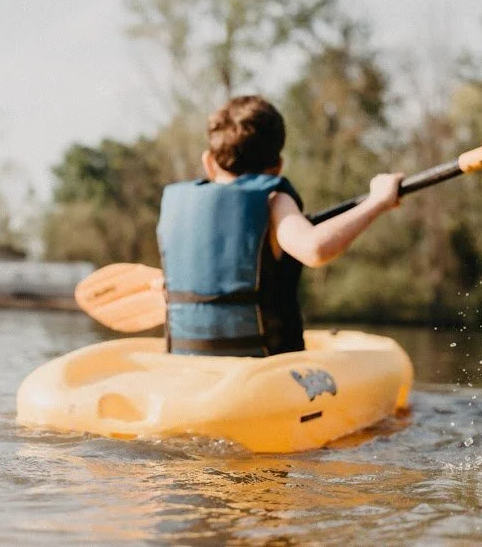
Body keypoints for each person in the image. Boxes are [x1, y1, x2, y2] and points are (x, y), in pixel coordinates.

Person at [156, 95, 403, 357]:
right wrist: (377, 201)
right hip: (263, 371)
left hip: (188, 369)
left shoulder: (178, 207)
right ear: (277, 167)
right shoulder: (273, 200)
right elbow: (315, 249)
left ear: (209, 162)